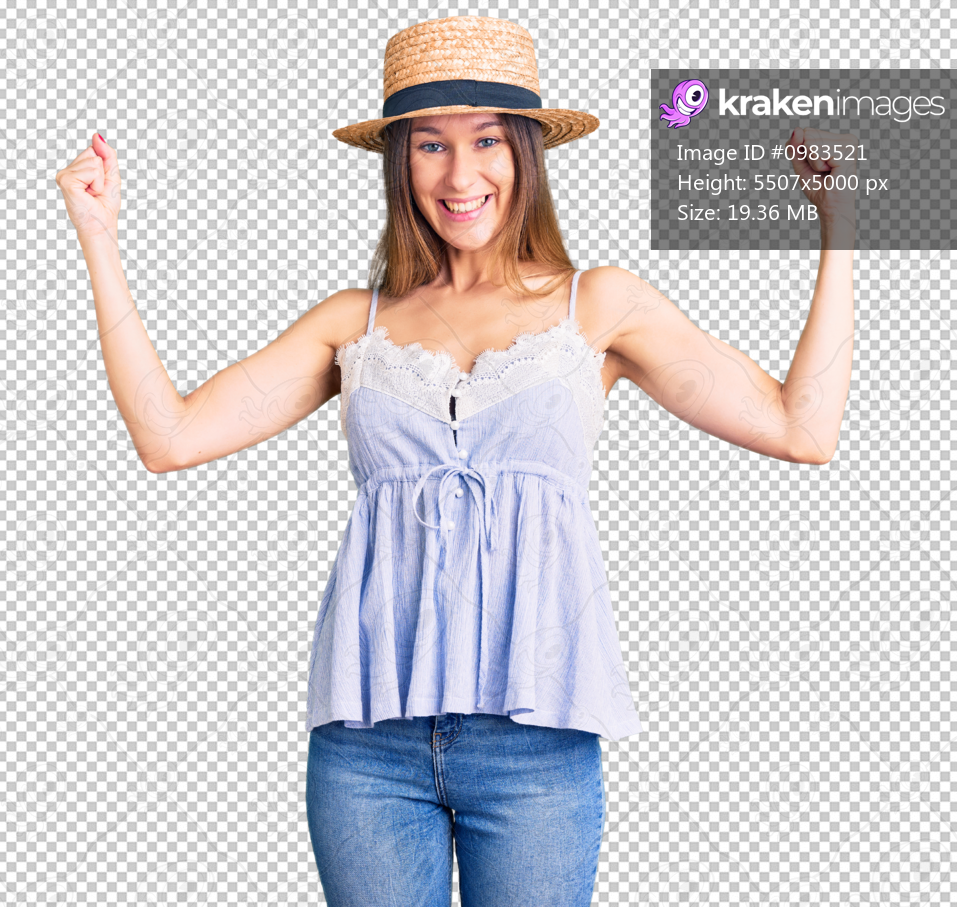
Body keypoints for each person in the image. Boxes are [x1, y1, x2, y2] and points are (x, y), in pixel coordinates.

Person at [55, 14, 855, 907]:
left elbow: (803, 428)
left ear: (526, 153)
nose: (460, 174)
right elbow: (169, 438)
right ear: (400, 162)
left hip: (536, 742)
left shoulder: (601, 305)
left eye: (485, 140)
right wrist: (99, 236)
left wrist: (840, 228)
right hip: (368, 746)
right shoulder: (351, 323)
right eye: (430, 144)